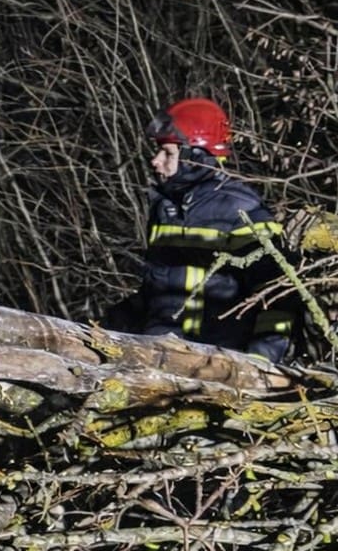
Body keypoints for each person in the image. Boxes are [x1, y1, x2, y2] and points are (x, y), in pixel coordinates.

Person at [111, 97, 293, 363]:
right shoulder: (164, 209)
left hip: (217, 363)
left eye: (168, 153)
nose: (155, 161)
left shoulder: (241, 210)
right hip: (159, 354)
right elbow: (160, 289)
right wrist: (118, 320)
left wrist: (259, 363)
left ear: (195, 157)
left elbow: (278, 297)